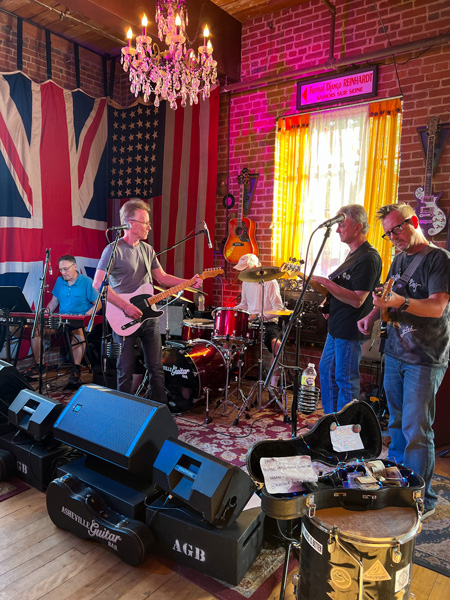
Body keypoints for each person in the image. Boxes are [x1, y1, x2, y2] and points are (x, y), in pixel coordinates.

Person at [357, 203, 450, 518]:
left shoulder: (439, 259)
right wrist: (372, 314)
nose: (392, 236)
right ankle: (398, 483)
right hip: (395, 353)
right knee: (395, 424)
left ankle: (421, 498)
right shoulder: (397, 259)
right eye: (387, 233)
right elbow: (387, 296)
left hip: (425, 357)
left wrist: (403, 301)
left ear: (413, 222)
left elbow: (437, 307)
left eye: (397, 228)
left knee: (416, 428)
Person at [93, 199, 202, 402]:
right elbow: (98, 284)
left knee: (156, 368)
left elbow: (162, 277)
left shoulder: (147, 250)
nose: (149, 227)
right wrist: (126, 306)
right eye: (145, 223)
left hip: (149, 316)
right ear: (129, 223)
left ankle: (158, 412)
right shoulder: (113, 249)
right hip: (123, 316)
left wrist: (188, 282)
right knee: (124, 370)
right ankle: (123, 413)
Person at [311, 205, 382, 414]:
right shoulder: (352, 255)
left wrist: (325, 281)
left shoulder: (368, 257)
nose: (337, 229)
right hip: (336, 326)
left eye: (342, 224)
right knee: (326, 371)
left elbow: (358, 299)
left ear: (358, 226)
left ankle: (346, 433)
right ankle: (331, 423)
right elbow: (345, 290)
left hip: (350, 329)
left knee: (345, 378)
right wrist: (329, 303)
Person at [24, 255, 97, 387]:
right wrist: (44, 314)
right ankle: (40, 366)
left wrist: (85, 316)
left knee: (78, 335)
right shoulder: (60, 281)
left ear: (75, 267)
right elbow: (54, 302)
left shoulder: (87, 282)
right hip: (61, 320)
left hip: (79, 320)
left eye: (66, 269)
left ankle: (75, 370)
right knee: (37, 329)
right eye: (61, 270)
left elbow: (98, 304)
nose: (63, 272)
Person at [234, 253, 285, 388]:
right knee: (226, 337)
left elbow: (279, 309)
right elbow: (244, 304)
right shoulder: (245, 282)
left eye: (245, 269)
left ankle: (273, 385)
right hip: (250, 322)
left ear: (255, 267)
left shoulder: (270, 282)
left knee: (277, 345)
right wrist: (231, 310)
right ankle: (229, 379)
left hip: (268, 322)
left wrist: (259, 316)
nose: (243, 272)